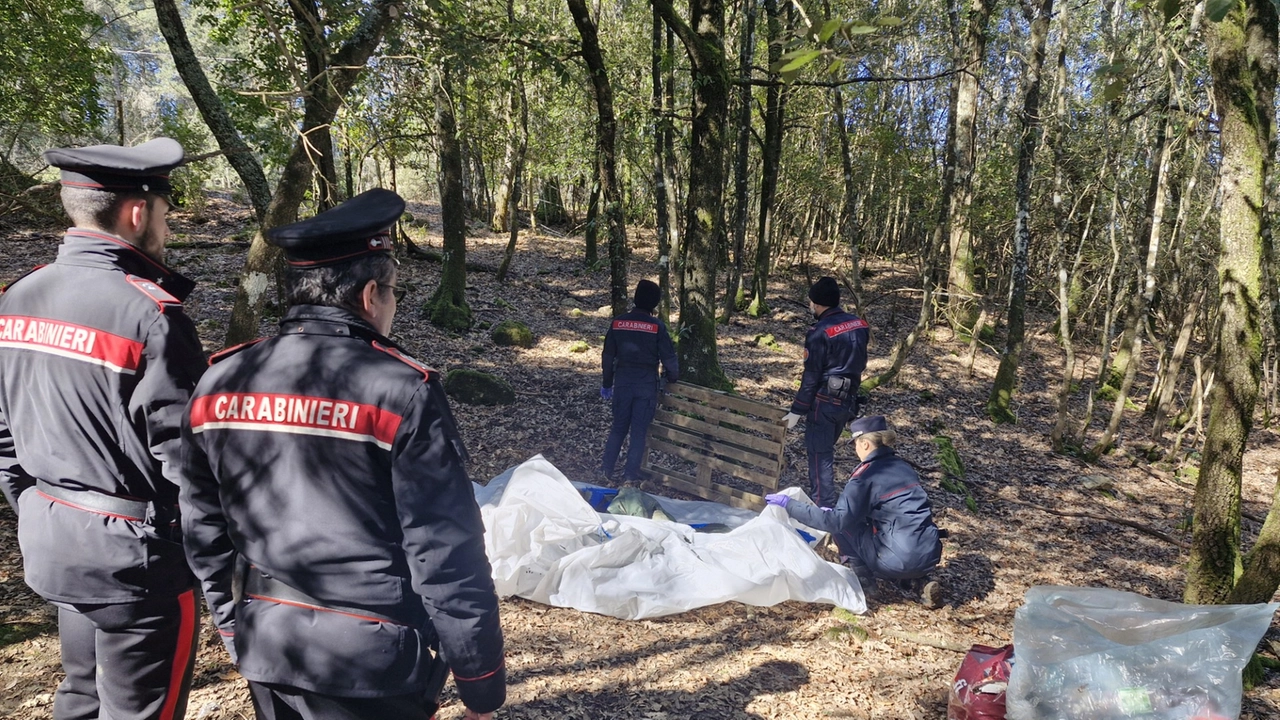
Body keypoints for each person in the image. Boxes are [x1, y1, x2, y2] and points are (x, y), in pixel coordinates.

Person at [179, 189, 506, 720]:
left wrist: (234, 625)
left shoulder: (220, 379)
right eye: (395, 292)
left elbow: (202, 526)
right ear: (371, 293)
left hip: (269, 645)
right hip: (373, 667)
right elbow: (446, 553)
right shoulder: (402, 390)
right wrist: (482, 683)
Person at [0, 138, 205, 720]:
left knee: (81, 698)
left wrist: (44, 509)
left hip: (55, 540)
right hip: (138, 561)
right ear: (137, 212)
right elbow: (186, 462)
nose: (166, 227)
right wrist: (214, 556)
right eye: (165, 214)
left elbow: (3, 434)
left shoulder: (18, 297)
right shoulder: (150, 314)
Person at [766, 416, 943, 608]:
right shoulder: (904, 467)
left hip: (896, 559)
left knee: (843, 526)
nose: (855, 449)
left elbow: (835, 521)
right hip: (930, 554)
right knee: (900, 538)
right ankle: (919, 581)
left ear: (865, 444)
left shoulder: (865, 477)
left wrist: (789, 505)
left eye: (855, 444)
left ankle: (864, 582)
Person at [781, 276, 869, 508]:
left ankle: (824, 509)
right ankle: (825, 504)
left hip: (825, 400)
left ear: (817, 303)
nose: (810, 306)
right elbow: (861, 363)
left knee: (820, 456)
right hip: (848, 399)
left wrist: (797, 410)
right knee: (826, 450)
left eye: (811, 302)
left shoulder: (819, 331)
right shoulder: (859, 325)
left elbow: (811, 375)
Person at [599, 279, 679, 482]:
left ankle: (605, 472)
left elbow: (607, 356)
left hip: (623, 383)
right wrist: (672, 377)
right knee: (638, 432)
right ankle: (629, 476)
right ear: (654, 303)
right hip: (646, 386)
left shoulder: (618, 323)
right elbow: (669, 358)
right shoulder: (657, 327)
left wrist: (607, 383)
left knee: (618, 428)